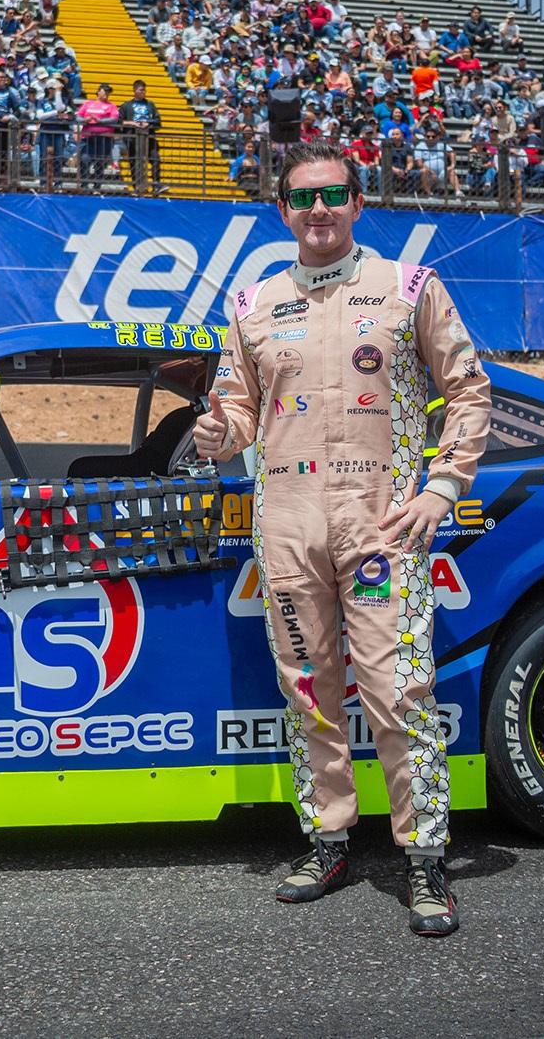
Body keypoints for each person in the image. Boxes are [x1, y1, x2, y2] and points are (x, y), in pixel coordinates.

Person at [192, 145, 491, 937]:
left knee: (399, 693)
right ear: (282, 210)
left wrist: (443, 485)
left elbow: (468, 390)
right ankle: (327, 841)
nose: (318, 209)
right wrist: (220, 433)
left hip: (382, 525)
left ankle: (425, 856)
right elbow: (238, 410)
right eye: (302, 197)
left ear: (358, 203)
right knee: (307, 691)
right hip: (288, 527)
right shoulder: (252, 302)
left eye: (332, 194)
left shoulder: (410, 287)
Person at [120, 79, 162, 195]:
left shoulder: (150, 105)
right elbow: (119, 121)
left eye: (144, 90)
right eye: (141, 90)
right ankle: (137, 186)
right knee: (134, 162)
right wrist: (132, 123)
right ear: (135, 90)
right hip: (133, 138)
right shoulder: (126, 105)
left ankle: (156, 185)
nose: (143, 92)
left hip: (149, 137)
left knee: (155, 159)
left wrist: (148, 123)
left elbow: (158, 121)